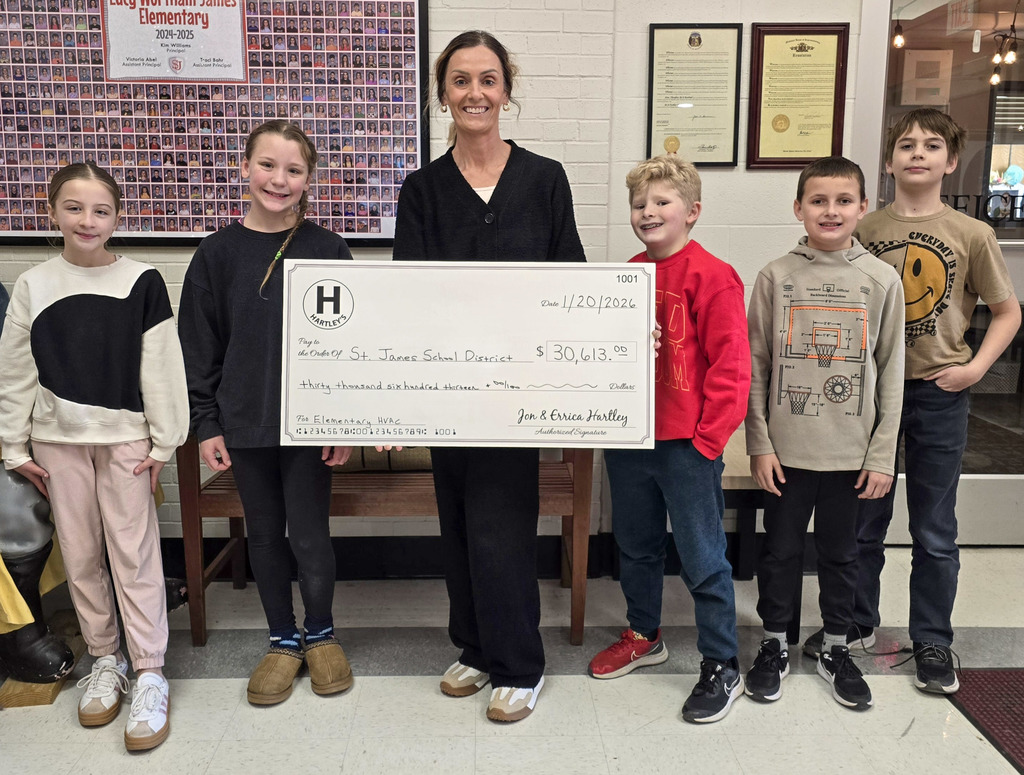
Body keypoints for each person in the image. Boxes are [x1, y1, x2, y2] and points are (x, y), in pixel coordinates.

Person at [392, 31, 585, 723]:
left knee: (503, 524)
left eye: (489, 79)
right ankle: (474, 646)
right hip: (449, 392)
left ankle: (519, 664)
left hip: (518, 391)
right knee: (460, 522)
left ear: (507, 90)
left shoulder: (544, 179)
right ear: (443, 92)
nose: (476, 92)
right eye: (461, 80)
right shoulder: (422, 189)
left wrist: (611, 338)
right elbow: (407, 298)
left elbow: (572, 282)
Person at [809, 109, 1021, 694]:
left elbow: (1007, 312)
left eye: (932, 146)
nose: (918, 154)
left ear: (952, 161)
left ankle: (933, 639)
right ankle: (853, 623)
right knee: (863, 519)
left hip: (937, 394)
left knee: (934, 526)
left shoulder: (972, 234)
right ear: (889, 160)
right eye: (906, 145)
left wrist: (975, 368)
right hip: (870, 396)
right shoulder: (864, 229)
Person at [0, 162, 188, 750]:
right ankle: (106, 660)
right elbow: (15, 370)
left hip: (126, 441)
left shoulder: (144, 279)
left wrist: (164, 441)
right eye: (75, 208)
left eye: (101, 210)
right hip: (57, 443)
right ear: (51, 211)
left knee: (133, 553)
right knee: (81, 554)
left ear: (117, 218)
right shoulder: (34, 284)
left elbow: (159, 365)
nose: (88, 220)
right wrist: (11, 446)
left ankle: (150, 667)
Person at [178, 120, 356, 706]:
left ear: (309, 181)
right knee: (264, 534)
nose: (279, 179)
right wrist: (206, 423)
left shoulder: (328, 248)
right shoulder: (216, 253)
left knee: (308, 533)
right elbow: (199, 345)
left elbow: (356, 344)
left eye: (294, 170)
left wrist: (346, 422)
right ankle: (282, 638)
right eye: (268, 165)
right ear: (245, 170)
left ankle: (322, 633)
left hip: (312, 427)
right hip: (245, 422)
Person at [586, 155, 750, 724]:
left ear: (693, 212)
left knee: (704, 556)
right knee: (636, 544)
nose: (648, 212)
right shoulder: (627, 276)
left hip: (687, 445)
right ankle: (644, 634)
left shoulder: (714, 275)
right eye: (639, 204)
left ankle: (722, 663)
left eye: (662, 202)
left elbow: (732, 368)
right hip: (630, 440)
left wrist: (708, 441)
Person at [744, 157, 905, 711]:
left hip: (851, 455)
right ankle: (773, 643)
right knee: (780, 552)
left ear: (863, 207)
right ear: (798, 208)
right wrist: (759, 443)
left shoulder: (881, 280)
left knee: (842, 555)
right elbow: (756, 366)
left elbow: (892, 373)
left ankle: (837, 646)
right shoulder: (775, 276)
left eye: (843, 201)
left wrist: (883, 456)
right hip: (786, 453)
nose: (830, 211)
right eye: (818, 201)